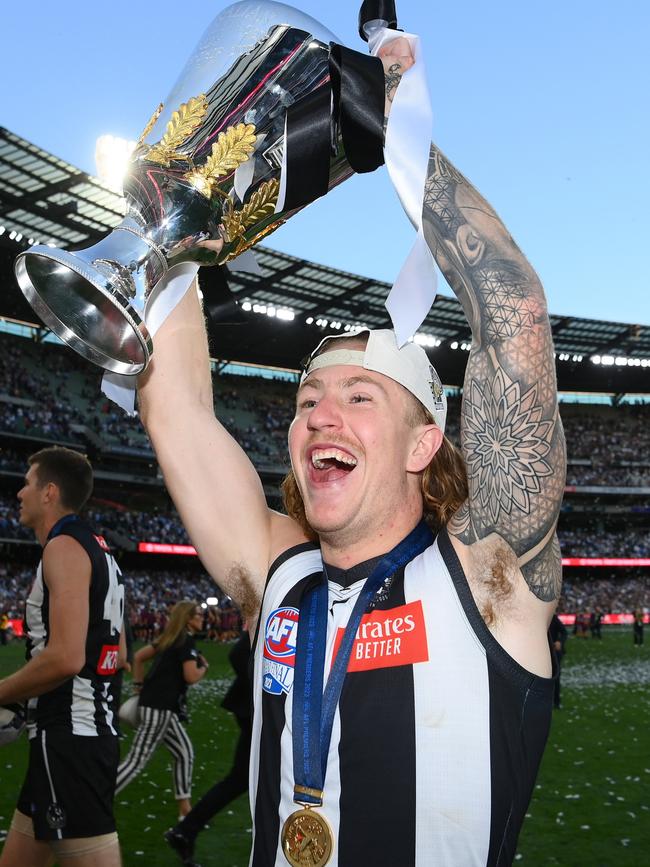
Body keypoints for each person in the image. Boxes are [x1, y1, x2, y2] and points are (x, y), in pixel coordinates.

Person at [138, 38, 566, 867]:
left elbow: (514, 315)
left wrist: (405, 145)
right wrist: (167, 217)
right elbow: (181, 411)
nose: (320, 417)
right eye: (306, 402)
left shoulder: (489, 573)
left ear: (425, 443)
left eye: (358, 397)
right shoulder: (276, 570)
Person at [0, 446, 125, 867]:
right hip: (82, 733)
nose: (19, 493)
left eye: (27, 483)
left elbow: (67, 658)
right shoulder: (99, 548)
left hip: (69, 740)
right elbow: (117, 652)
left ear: (49, 493)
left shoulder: (64, 548)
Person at [165, 630, 252, 867]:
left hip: (254, 709)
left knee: (243, 778)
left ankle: (186, 830)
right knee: (258, 780)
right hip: (257, 710)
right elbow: (238, 653)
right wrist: (264, 689)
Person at [115, 601, 207, 818]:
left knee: (184, 752)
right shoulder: (186, 642)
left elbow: (138, 657)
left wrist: (138, 686)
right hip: (160, 708)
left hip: (160, 707)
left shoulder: (170, 638)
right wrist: (203, 667)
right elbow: (191, 676)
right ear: (188, 619)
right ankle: (96, 798)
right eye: (199, 615)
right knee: (136, 760)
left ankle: (185, 809)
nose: (202, 619)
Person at [549, 613, 568, 709]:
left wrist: (560, 641)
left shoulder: (553, 617)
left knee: (556, 677)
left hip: (554, 651)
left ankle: (556, 702)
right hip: (542, 651)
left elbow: (564, 632)